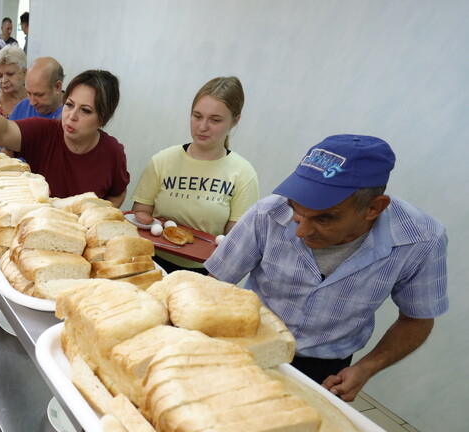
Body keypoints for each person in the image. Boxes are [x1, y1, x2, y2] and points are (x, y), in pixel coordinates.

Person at [205, 134, 448, 401]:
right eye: (297, 211)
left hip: (326, 368)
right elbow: (212, 286)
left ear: (373, 208)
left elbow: (416, 320)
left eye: (325, 218)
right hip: (249, 343)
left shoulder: (421, 240)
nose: (302, 231)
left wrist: (365, 368)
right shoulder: (267, 215)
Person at [130, 76, 259, 273]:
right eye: (197, 116)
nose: (202, 126)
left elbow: (235, 242)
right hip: (150, 260)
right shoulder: (163, 160)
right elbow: (140, 215)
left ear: (235, 121)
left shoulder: (243, 173)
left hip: (202, 270)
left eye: (215, 120)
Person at [0, 69, 130, 204]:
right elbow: (6, 129)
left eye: (85, 111)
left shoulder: (113, 152)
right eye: (69, 105)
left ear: (102, 118)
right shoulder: (44, 131)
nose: (72, 116)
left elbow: (117, 193)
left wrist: (97, 219)